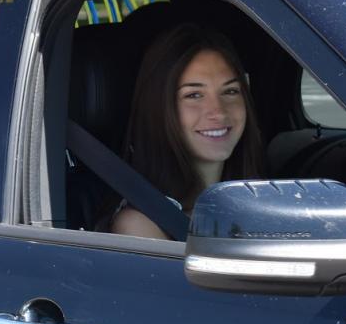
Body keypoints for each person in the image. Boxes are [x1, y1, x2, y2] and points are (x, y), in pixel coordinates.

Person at [110, 23, 266, 239]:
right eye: (193, 95)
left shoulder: (258, 202)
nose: (218, 112)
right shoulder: (143, 225)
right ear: (159, 108)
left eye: (230, 91)